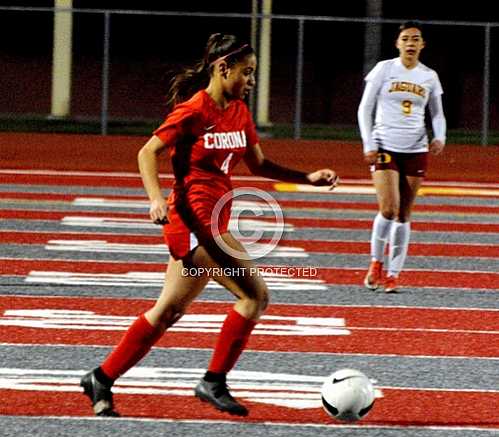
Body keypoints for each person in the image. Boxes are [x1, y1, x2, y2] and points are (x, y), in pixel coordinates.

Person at [80, 33, 338, 417]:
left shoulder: (239, 111)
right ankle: (213, 381)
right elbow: (147, 152)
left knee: (167, 311)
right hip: (194, 223)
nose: (251, 81)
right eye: (247, 72)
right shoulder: (194, 110)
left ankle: (101, 377)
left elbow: (259, 165)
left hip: (214, 219)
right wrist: (153, 198)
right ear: (223, 68)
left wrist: (308, 178)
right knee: (255, 296)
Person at [357, 21, 446, 293]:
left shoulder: (429, 76)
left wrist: (439, 136)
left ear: (422, 45)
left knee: (405, 214)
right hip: (385, 145)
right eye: (405, 38)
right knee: (388, 208)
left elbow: (437, 112)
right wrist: (368, 143)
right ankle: (376, 262)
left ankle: (393, 274)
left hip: (416, 148)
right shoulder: (384, 69)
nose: (410, 43)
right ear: (397, 43)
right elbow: (365, 108)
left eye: (415, 39)